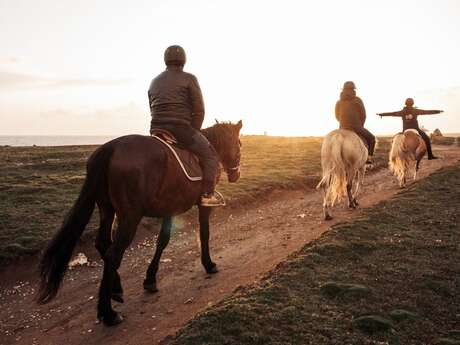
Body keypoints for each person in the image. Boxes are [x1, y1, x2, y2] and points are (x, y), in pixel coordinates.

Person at [148, 45, 222, 207]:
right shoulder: (189, 78)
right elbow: (199, 110)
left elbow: (151, 106)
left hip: (157, 130)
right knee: (211, 157)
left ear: (166, 61)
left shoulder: (154, 81)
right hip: (180, 129)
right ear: (183, 61)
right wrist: (195, 130)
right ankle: (207, 195)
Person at [377, 98, 444, 159]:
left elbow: (392, 113)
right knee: (427, 139)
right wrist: (438, 111)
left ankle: (394, 155)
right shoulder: (416, 111)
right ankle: (430, 155)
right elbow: (427, 112)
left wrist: (381, 114)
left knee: (394, 139)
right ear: (413, 103)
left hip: (405, 130)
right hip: (416, 129)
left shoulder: (402, 111)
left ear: (405, 103)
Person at [335, 81, 376, 164]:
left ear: (343, 90)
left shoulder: (339, 102)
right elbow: (363, 115)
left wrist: (343, 124)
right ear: (354, 89)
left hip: (342, 127)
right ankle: (369, 158)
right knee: (372, 139)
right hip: (356, 126)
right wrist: (360, 126)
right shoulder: (357, 100)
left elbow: (336, 116)